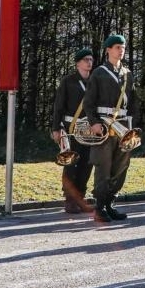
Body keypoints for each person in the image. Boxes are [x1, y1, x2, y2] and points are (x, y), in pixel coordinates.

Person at [83, 34, 138, 223]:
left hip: (123, 125)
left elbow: (133, 102)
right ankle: (99, 207)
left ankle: (109, 203)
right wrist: (94, 122)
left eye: (122, 47)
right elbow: (88, 102)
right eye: (116, 47)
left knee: (120, 167)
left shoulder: (127, 74)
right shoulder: (99, 73)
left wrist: (133, 126)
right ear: (108, 50)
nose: (120, 50)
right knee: (103, 167)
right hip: (104, 125)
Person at [50, 47, 95, 214]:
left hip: (89, 129)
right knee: (71, 164)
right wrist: (56, 128)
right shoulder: (68, 81)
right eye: (86, 60)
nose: (89, 63)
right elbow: (58, 106)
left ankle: (80, 198)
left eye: (91, 60)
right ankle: (69, 200)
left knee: (87, 164)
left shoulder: (94, 81)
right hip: (71, 128)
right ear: (77, 63)